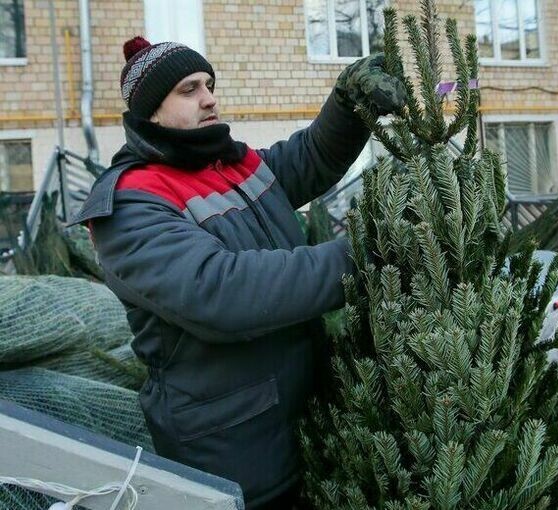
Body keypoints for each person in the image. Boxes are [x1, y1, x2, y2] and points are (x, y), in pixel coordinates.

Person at [70, 36, 406, 509]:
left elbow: (308, 159)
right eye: (189, 89)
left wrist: (348, 104)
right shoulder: (130, 204)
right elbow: (222, 293)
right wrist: (367, 255)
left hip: (301, 427)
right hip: (235, 459)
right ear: (151, 111)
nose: (209, 97)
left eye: (208, 84)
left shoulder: (228, 163)